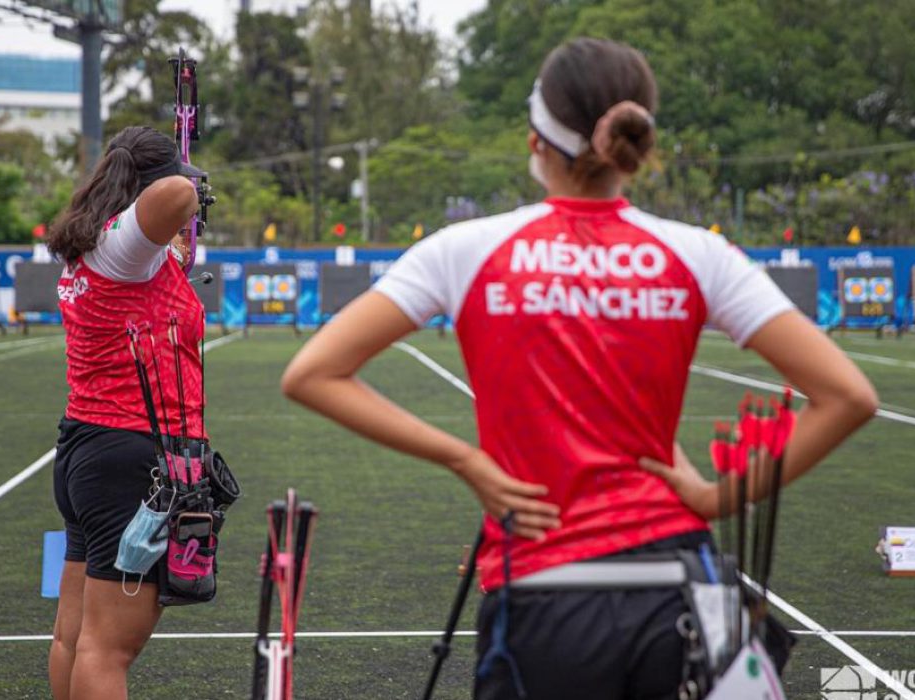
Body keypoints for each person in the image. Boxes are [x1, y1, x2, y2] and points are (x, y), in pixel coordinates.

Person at [280, 38, 879, 700]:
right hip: (679, 591)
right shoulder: (698, 255)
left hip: (542, 595)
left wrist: (466, 461)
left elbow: (312, 373)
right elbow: (847, 396)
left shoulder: (467, 249)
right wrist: (716, 498)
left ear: (537, 139)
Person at [45, 125, 206, 700]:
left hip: (87, 451)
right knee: (108, 649)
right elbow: (174, 200)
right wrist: (188, 180)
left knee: (75, 637)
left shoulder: (96, 246)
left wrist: (175, 242)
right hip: (128, 459)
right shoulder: (120, 246)